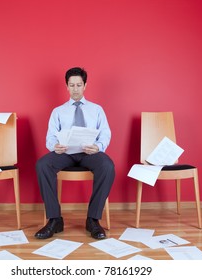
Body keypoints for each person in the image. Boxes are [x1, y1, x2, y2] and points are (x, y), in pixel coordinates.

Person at [35, 67, 115, 240]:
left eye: (79, 85)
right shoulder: (58, 111)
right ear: (67, 87)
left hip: (89, 153)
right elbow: (50, 137)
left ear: (85, 85)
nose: (75, 89)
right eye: (72, 85)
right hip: (65, 153)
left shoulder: (97, 109)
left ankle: (93, 219)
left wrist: (98, 146)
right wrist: (54, 146)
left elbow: (106, 132)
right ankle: (55, 219)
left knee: (107, 165)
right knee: (42, 164)